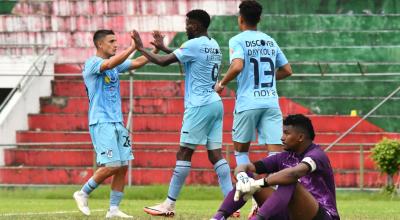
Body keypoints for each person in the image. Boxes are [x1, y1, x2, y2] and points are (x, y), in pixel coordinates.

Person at [131, 9, 234, 217]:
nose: (186, 28)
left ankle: (168, 204)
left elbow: (162, 62)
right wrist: (164, 47)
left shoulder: (193, 44)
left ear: (195, 25)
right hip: (215, 103)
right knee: (215, 155)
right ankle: (232, 203)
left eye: (188, 24)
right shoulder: (213, 45)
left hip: (199, 105)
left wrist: (141, 48)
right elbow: (189, 58)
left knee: (184, 152)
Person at [213, 0, 292, 216]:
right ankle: (269, 203)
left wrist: (221, 84)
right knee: (275, 153)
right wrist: (267, 83)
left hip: (248, 102)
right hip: (270, 102)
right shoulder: (269, 40)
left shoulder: (238, 39)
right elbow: (287, 69)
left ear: (240, 19)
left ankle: (252, 198)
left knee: (241, 151)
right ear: (259, 19)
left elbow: (237, 65)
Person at [73, 29, 157, 218]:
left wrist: (154, 51)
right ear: (100, 44)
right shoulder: (92, 63)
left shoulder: (114, 66)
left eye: (116, 41)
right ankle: (82, 192)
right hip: (101, 121)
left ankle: (113, 210)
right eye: (111, 41)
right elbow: (111, 62)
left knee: (123, 166)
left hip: (117, 122)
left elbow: (137, 62)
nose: (115, 44)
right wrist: (133, 47)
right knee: (112, 165)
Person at [211, 114, 340, 220]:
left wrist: (259, 183)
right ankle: (218, 217)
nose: (282, 138)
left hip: (321, 216)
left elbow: (293, 174)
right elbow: (246, 167)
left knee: (289, 180)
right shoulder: (283, 157)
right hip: (291, 215)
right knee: (249, 176)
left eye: (286, 133)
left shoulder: (316, 155)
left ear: (300, 137)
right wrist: (242, 176)